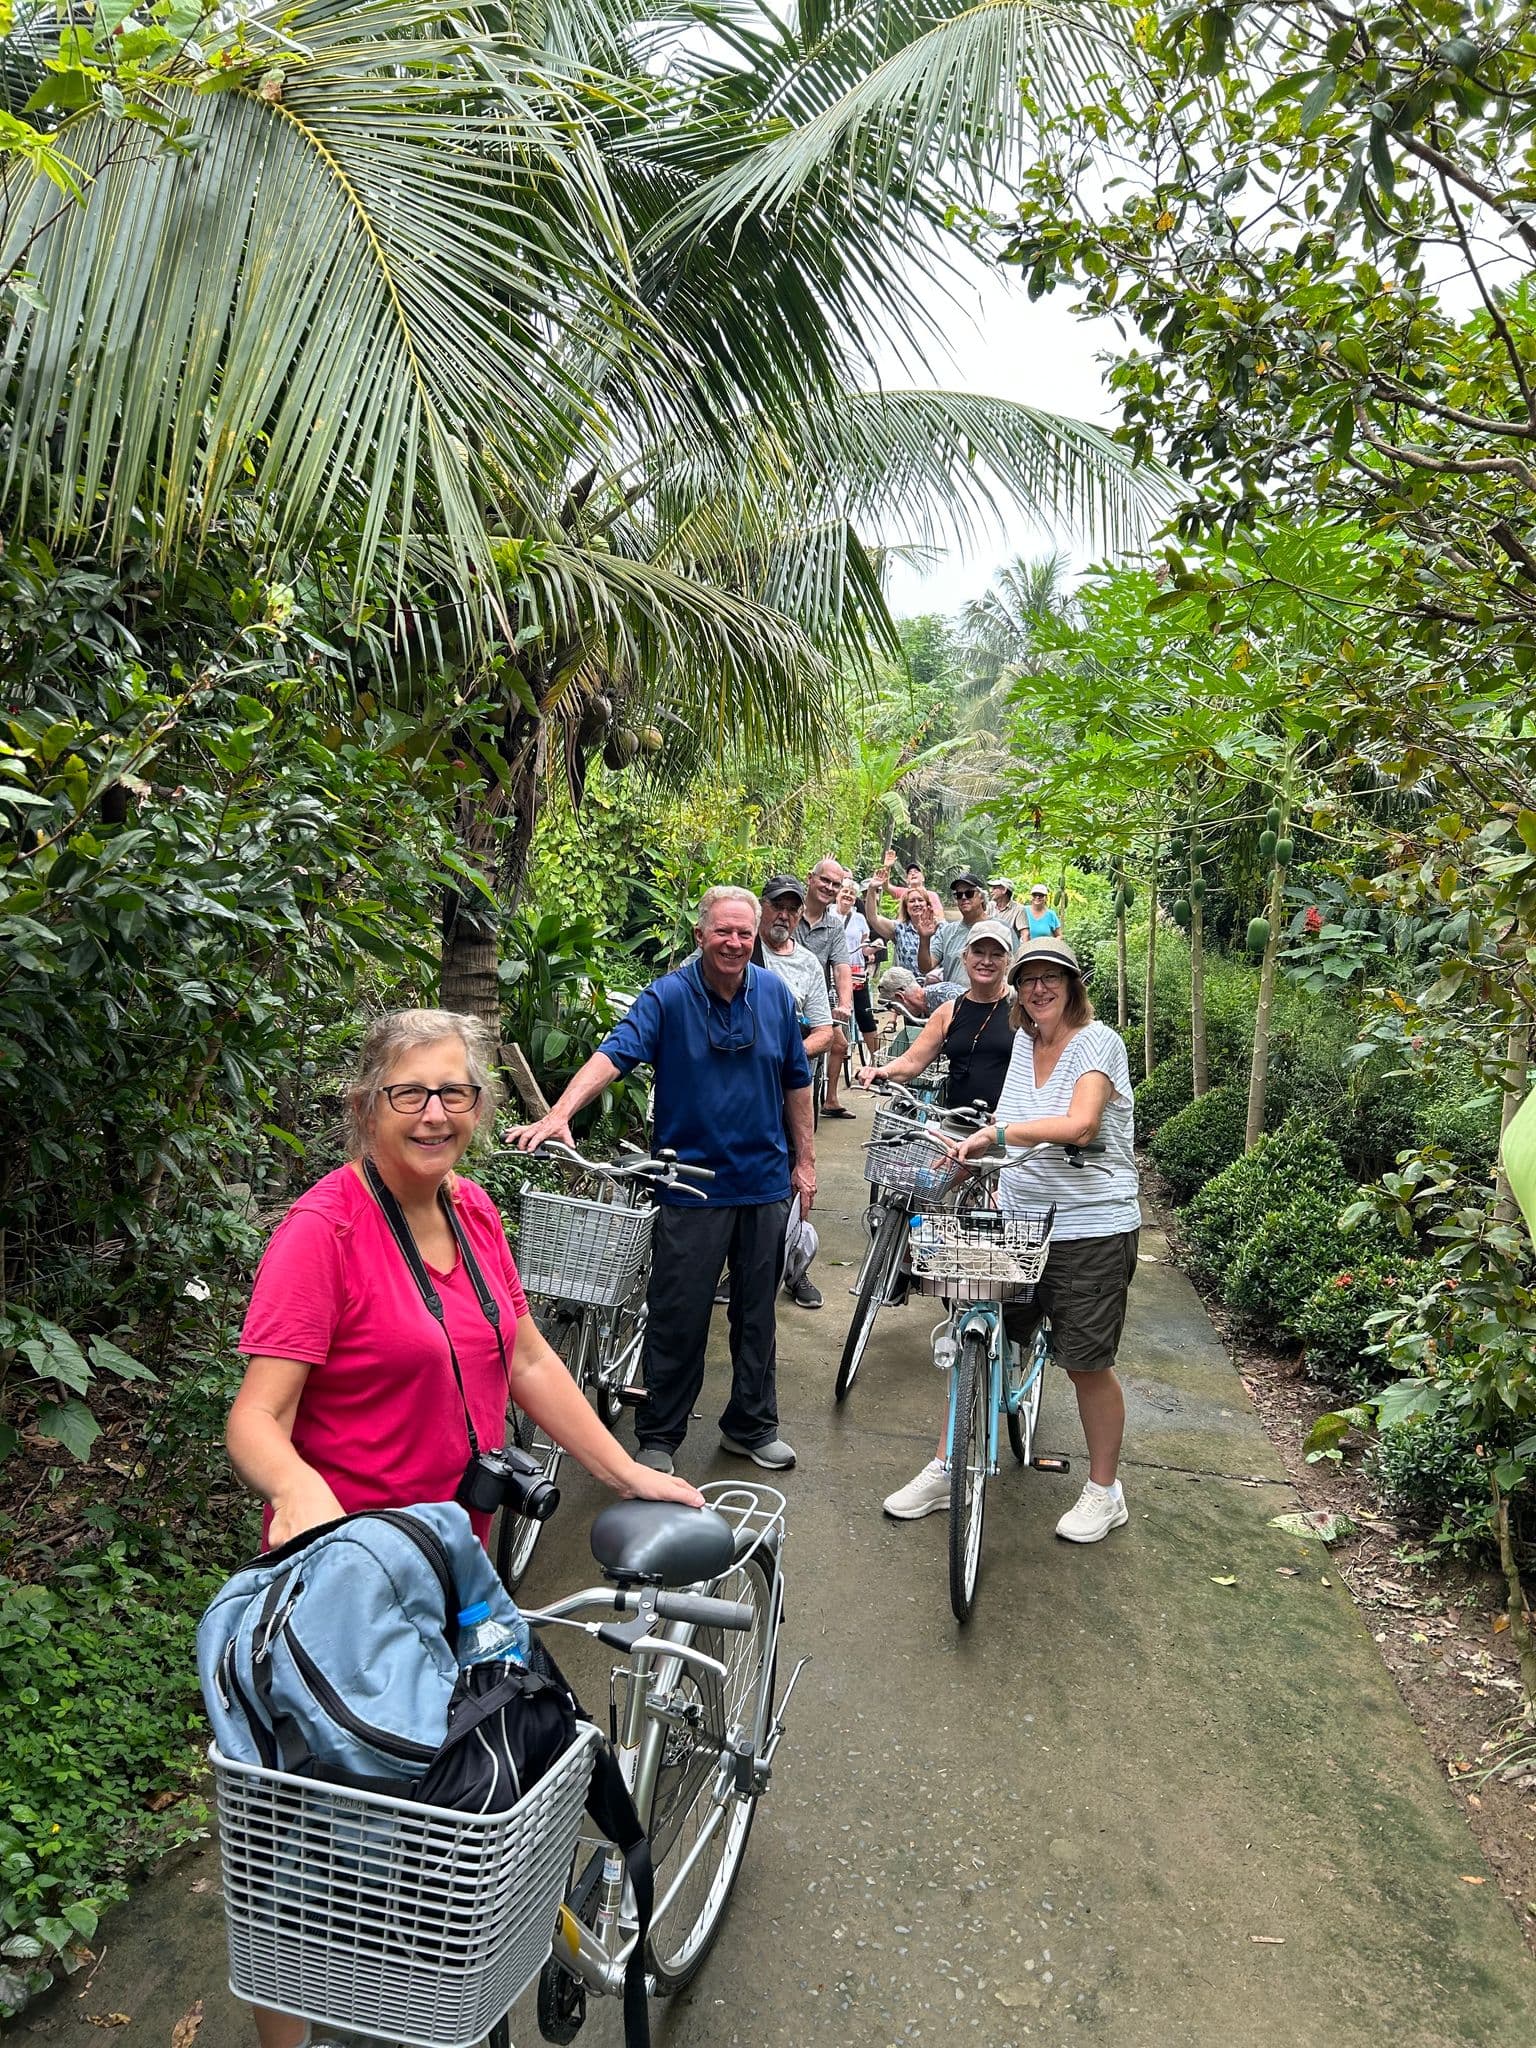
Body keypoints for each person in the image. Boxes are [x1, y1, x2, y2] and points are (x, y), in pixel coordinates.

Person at [227, 1008, 701, 2048]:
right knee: (299, 1847)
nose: (436, 1113)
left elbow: (526, 1357)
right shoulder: (327, 1229)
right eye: (411, 1092)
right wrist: (301, 1490)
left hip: (456, 1582)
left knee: (444, 1822)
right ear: (365, 1106)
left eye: (456, 1092)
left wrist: (625, 1468)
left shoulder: (476, 1210)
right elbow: (257, 1415)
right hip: (344, 1588)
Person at [509, 886, 811, 1473]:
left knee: (758, 1315)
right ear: (701, 936)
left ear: (756, 939)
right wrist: (559, 1113)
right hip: (690, 1185)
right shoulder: (669, 997)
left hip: (764, 1183)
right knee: (678, 1313)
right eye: (723, 931)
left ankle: (750, 1426)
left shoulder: (774, 994)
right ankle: (660, 1436)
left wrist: (806, 1162)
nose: (734, 942)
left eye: (743, 933)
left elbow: (797, 1079)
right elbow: (614, 1053)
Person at [880, 937, 1141, 1544]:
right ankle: (949, 1465)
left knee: (1085, 1364)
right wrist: (954, 1165)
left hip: (1090, 1229)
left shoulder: (1098, 1043)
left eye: (1052, 978)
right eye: (1029, 980)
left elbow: (1080, 1124)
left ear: (1073, 986)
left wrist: (999, 1132)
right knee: (980, 1331)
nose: (1038, 989)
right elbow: (1003, 1136)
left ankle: (1105, 1493)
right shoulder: (1025, 1044)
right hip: (1019, 1218)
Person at [757, 876, 837, 1311]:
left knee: (795, 1177)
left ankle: (796, 1267)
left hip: (791, 1090)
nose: (784, 915)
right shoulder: (740, 950)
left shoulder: (807, 963)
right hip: (743, 1090)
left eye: (791, 908)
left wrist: (786, 1055)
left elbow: (826, 1031)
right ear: (762, 908)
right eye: (777, 906)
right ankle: (749, 1269)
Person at [860, 920, 1019, 1114]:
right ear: (965, 957)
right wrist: (884, 1071)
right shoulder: (949, 1011)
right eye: (978, 952)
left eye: (996, 954)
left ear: (1008, 962)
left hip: (1004, 1129)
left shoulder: (1020, 1008)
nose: (986, 961)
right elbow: (912, 1061)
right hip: (955, 1125)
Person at [798, 856, 854, 1114]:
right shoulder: (788, 913)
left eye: (836, 884)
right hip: (785, 995)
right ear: (811, 878)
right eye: (825, 880)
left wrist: (844, 1004)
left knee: (838, 1042)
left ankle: (830, 1098)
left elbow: (842, 967)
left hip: (819, 998)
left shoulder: (834, 926)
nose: (829, 888)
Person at [833, 877, 879, 1087]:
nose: (848, 896)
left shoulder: (859, 919)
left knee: (865, 1015)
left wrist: (873, 948)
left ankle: (876, 1060)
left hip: (856, 972)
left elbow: (865, 948)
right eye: (844, 892)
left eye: (851, 894)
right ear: (837, 894)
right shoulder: (828, 914)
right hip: (833, 973)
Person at [918, 870, 998, 982]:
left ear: (981, 897)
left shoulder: (999, 928)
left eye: (969, 893)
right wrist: (924, 939)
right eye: (959, 895)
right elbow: (925, 967)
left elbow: (1012, 965)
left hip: (989, 998)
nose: (964, 898)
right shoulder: (947, 931)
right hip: (954, 998)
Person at [864, 876, 938, 974]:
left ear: (928, 904)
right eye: (911, 901)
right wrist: (872, 889)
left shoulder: (940, 928)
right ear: (906, 907)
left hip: (934, 985)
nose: (916, 904)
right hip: (906, 986)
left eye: (920, 900)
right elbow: (873, 918)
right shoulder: (899, 929)